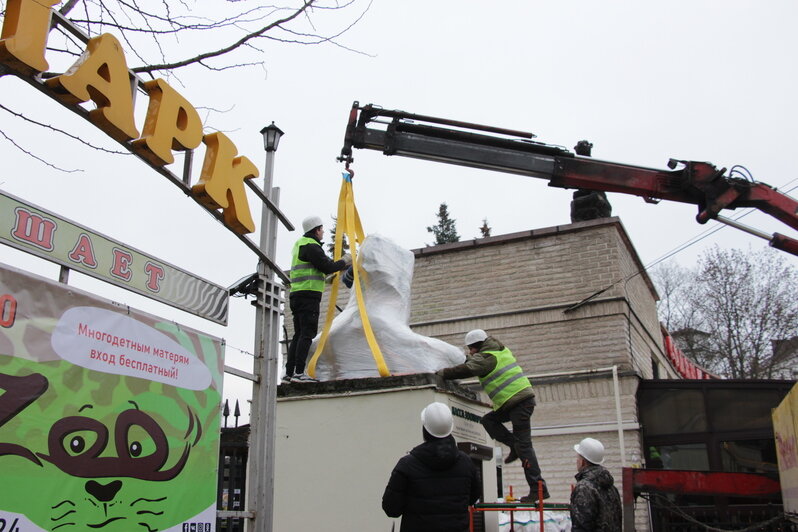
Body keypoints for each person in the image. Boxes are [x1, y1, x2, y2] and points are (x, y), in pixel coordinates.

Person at [436, 329, 548, 502]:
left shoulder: (487, 357)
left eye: (471, 349)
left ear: (477, 346)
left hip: (518, 402)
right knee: (489, 420)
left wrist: (442, 373)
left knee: (525, 445)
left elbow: (468, 369)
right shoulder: (498, 350)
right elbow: (475, 362)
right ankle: (514, 446)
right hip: (515, 402)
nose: (470, 352)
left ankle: (538, 489)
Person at [382, 402, 479, 532]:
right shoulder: (466, 463)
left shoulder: (407, 465)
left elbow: (391, 509)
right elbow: (473, 497)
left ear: (425, 429)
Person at [284, 215, 350, 383]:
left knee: (299, 334)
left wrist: (324, 278)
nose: (323, 233)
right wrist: (345, 261)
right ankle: (300, 373)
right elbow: (327, 266)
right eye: (321, 229)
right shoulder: (312, 246)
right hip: (308, 295)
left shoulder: (300, 244)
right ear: (316, 230)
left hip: (297, 294)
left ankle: (289, 373)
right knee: (307, 334)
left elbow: (314, 269)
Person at [569, 437, 622, 532]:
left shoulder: (584, 488)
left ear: (583, 462)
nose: (576, 461)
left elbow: (581, 527)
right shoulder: (612, 488)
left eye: (578, 457)